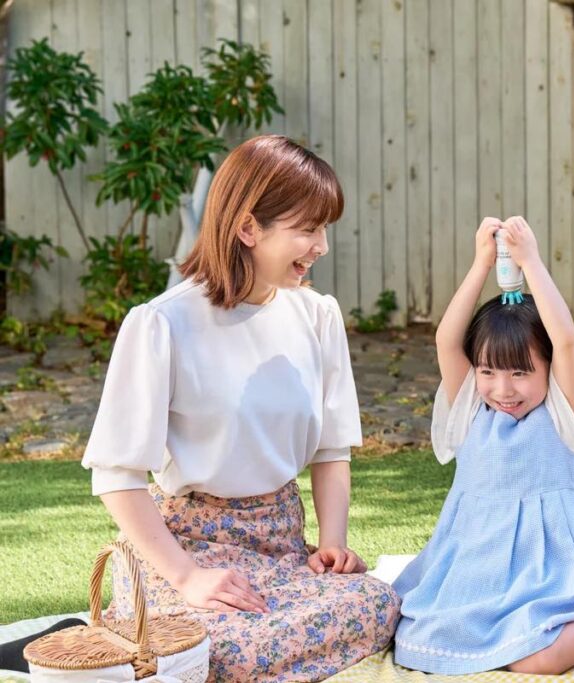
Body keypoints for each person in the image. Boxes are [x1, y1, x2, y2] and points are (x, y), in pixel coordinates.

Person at [80, 135, 400, 682]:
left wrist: (331, 545)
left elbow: (331, 450)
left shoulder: (317, 316)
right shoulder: (162, 323)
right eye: (308, 229)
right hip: (187, 548)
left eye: (325, 229)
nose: (321, 246)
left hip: (282, 546)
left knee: (378, 604)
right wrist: (187, 577)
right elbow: (116, 474)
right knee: (224, 648)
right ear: (248, 228)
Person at [391, 216, 574, 675]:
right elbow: (446, 340)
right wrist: (481, 262)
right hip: (473, 564)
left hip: (544, 571)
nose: (503, 389)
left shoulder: (560, 412)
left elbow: (566, 340)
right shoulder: (471, 408)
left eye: (520, 372)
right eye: (488, 371)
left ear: (547, 370)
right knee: (418, 636)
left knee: (538, 659)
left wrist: (530, 261)